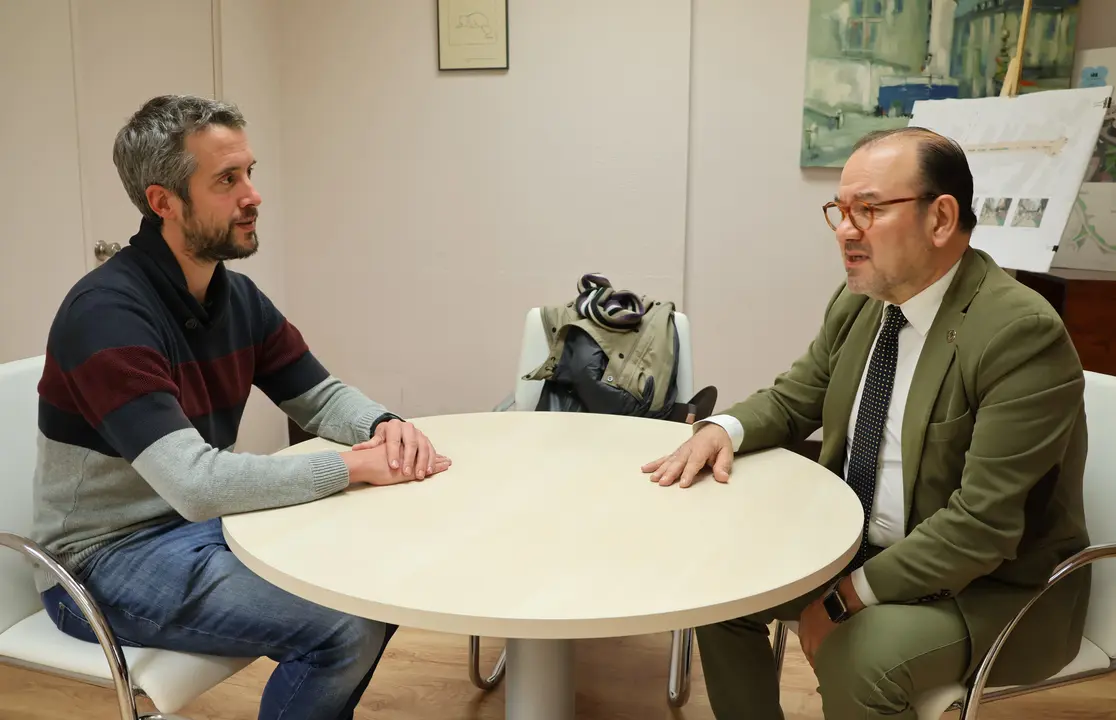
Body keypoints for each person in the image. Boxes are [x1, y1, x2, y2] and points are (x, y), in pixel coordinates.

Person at [643, 127, 1090, 719]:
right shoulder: (862, 302)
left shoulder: (1018, 334)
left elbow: (981, 527)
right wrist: (721, 429)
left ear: (940, 218)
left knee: (859, 654)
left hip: (992, 588)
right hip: (858, 544)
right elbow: (794, 397)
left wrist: (844, 598)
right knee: (722, 593)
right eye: (840, 210)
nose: (845, 230)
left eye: (869, 210)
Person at [30, 94, 449, 719]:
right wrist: (354, 468)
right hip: (103, 562)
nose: (253, 195)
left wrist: (386, 427)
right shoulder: (107, 315)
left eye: (250, 173)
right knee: (341, 629)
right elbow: (196, 484)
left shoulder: (234, 296)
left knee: (377, 585)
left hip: (197, 528)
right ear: (163, 203)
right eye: (227, 180)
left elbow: (319, 396)